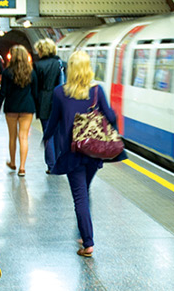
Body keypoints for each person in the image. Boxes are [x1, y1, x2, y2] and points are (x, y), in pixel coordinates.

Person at [42, 50, 127, 257]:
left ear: (70, 69)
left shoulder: (60, 93)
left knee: (79, 196)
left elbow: (53, 122)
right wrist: (113, 132)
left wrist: (46, 139)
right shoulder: (97, 91)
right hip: (94, 151)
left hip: (72, 152)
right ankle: (83, 232)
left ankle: (88, 242)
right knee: (84, 190)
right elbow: (110, 116)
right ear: (88, 68)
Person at [0, 44, 38, 176]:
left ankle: (13, 162)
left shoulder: (7, 72)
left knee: (12, 137)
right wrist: (36, 108)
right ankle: (22, 168)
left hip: (11, 107)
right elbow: (35, 93)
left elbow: (3, 93)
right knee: (23, 137)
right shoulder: (31, 72)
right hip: (27, 108)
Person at [32, 39, 66, 171]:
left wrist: (36, 105)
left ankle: (51, 165)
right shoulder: (61, 64)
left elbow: (35, 88)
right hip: (60, 102)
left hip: (44, 102)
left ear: (42, 50)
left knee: (48, 133)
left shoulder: (38, 65)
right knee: (58, 133)